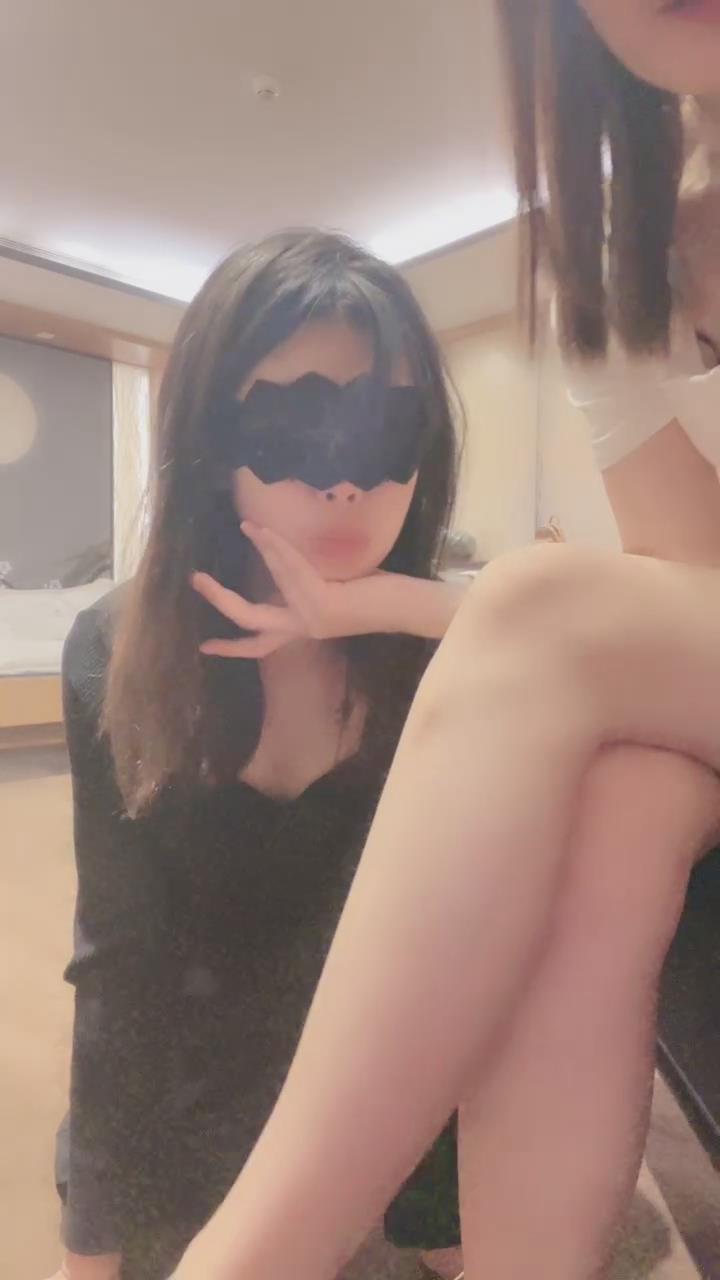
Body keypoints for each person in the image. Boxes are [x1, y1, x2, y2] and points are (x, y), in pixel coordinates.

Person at [166, 5, 720, 1280]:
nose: (343, 481)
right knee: (627, 801)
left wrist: (413, 608)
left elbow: (602, 622)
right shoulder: (620, 245)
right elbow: (685, 591)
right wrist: (384, 607)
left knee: (538, 607)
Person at [48, 228, 476, 1280]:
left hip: (396, 1085)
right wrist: (91, 1248)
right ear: (210, 439)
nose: (347, 488)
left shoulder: (444, 649)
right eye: (297, 426)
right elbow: (122, 965)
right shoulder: (116, 650)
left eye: (388, 432)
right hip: (199, 1105)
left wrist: (401, 607)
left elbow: (453, 959)